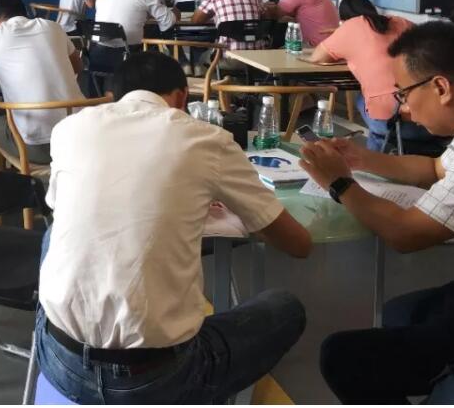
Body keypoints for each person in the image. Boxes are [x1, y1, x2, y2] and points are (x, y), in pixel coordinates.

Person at [35, 51, 312, 404]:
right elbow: (297, 244)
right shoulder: (205, 139)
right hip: (158, 379)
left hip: (60, 361)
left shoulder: (70, 129)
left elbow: (67, 205)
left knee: (53, 235)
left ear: (111, 97)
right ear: (182, 97)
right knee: (285, 308)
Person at [302, 21, 454, 405]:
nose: (406, 110)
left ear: (441, 87)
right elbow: (434, 169)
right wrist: (361, 158)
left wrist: (339, 183)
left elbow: (407, 234)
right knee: (398, 312)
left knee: (345, 358)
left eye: (405, 94)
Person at [0, 0, 83, 167]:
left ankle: (1, 183)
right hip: (80, 137)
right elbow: (77, 66)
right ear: (25, 13)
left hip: (38, 147)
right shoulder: (53, 27)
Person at [310, 0, 428, 151]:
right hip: (432, 116)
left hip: (394, 120)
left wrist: (343, 40)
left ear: (343, 19)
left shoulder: (350, 27)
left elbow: (317, 58)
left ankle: (379, 148)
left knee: (365, 100)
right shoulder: (401, 22)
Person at [192, 0, 265, 50]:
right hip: (257, 51)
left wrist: (213, 13)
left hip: (227, 52)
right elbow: (261, 16)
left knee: (202, 55)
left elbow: (196, 20)